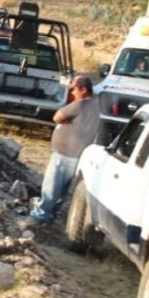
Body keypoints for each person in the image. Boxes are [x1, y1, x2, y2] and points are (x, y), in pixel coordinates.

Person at [29, 76, 100, 224]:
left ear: (83, 89)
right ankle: (50, 216)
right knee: (62, 190)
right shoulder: (96, 104)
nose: (72, 93)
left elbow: (58, 117)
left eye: (74, 89)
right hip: (78, 154)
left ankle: (39, 216)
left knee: (52, 187)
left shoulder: (80, 104)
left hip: (66, 154)